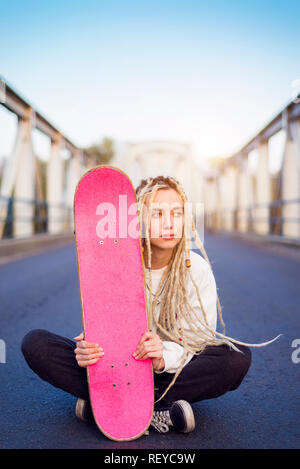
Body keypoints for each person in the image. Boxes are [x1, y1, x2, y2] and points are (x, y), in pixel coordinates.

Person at [21, 175, 278, 434]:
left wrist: (162, 357)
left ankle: (113, 407)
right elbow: (105, 329)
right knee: (36, 343)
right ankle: (160, 410)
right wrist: (90, 347)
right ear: (138, 220)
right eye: (157, 214)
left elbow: (199, 340)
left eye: (177, 213)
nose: (169, 223)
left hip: (173, 371)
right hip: (120, 366)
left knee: (236, 357)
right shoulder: (116, 264)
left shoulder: (196, 268)